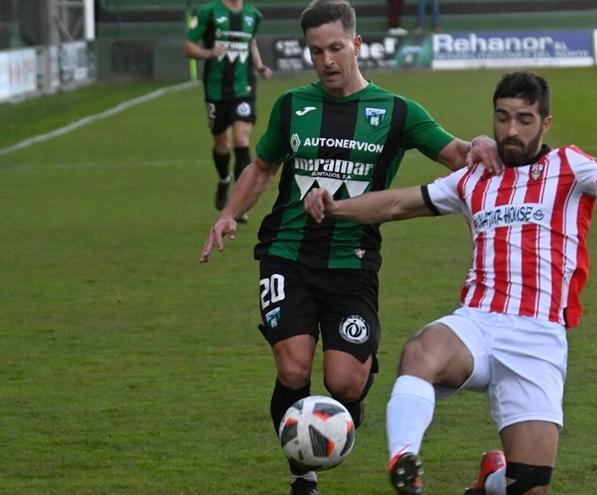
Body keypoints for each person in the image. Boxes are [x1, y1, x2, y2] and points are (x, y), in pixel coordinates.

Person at [303, 71, 597, 495]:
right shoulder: (475, 177)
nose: (511, 130)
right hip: (478, 323)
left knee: (529, 485)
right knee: (421, 350)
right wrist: (335, 208)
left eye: (524, 119)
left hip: (538, 338)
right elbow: (399, 202)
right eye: (502, 118)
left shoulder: (570, 167)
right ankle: (405, 459)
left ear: (545, 123)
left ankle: (491, 481)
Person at [198, 1, 501, 494]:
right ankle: (303, 474)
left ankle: (337, 423)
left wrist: (481, 142)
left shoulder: (397, 111)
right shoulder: (294, 106)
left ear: (356, 45)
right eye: (316, 51)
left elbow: (457, 155)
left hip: (353, 262)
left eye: (336, 48)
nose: (327, 61)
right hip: (287, 253)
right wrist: (230, 214)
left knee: (345, 385)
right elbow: (263, 167)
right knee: (293, 366)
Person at [185, 0, 272, 223]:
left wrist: (259, 65)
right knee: (222, 144)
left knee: (242, 140)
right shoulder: (208, 12)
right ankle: (224, 179)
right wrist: (208, 53)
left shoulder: (253, 14)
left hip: (244, 87)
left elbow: (250, 41)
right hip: (216, 90)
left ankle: (239, 205)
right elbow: (188, 47)